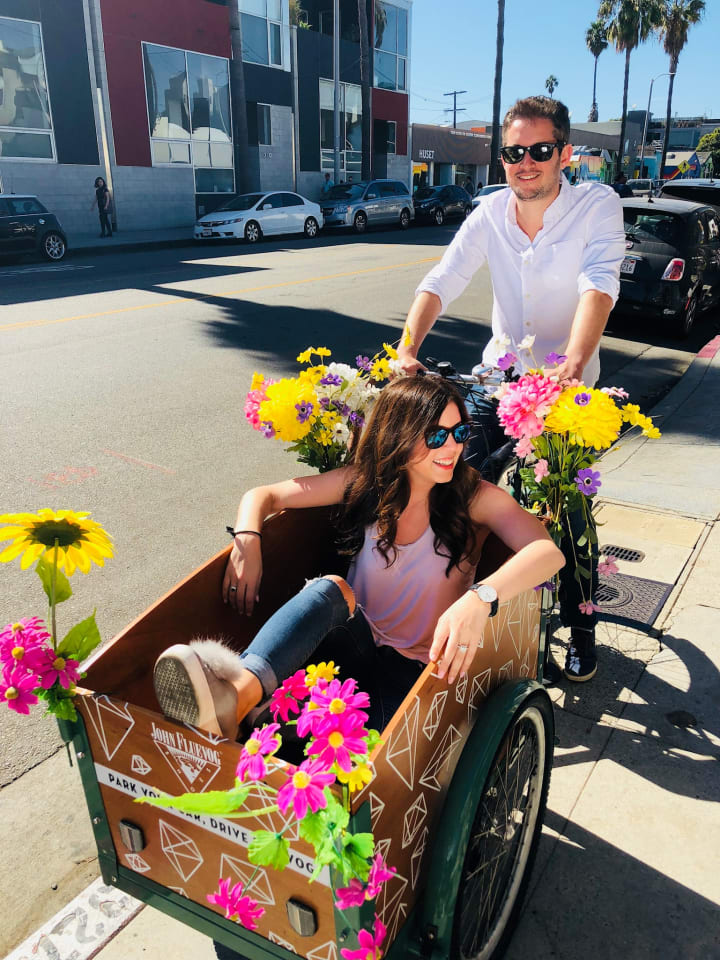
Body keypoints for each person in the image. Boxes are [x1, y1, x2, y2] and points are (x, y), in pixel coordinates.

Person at [153, 376, 564, 740]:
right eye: (436, 436)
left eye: (460, 433)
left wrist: (480, 598)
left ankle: (250, 716)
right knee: (329, 589)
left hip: (412, 671)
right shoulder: (368, 484)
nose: (453, 447)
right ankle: (237, 696)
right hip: (351, 642)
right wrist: (248, 540)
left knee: (335, 758)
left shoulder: (474, 498)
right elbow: (265, 495)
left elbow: (547, 552)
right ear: (399, 435)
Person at [396, 95, 626, 683]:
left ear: (565, 154)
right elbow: (442, 279)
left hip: (565, 393)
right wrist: (407, 349)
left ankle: (581, 626)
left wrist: (572, 364)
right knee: (449, 486)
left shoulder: (596, 205)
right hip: (499, 380)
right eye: (513, 152)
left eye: (540, 150)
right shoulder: (490, 213)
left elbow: (599, 284)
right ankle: (449, 608)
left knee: (567, 509)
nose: (526, 163)